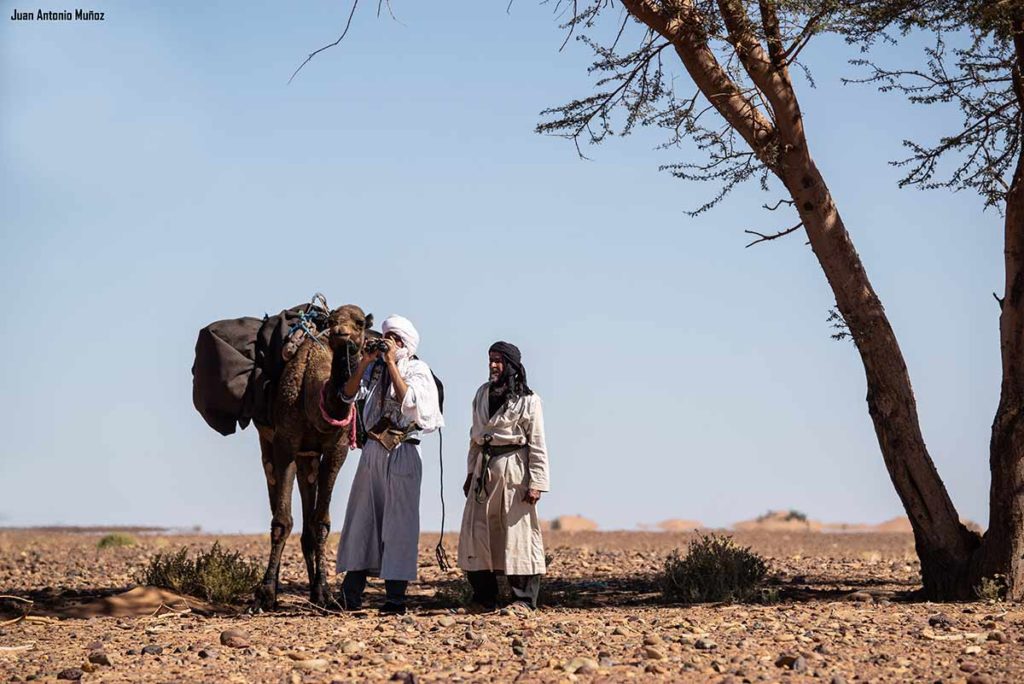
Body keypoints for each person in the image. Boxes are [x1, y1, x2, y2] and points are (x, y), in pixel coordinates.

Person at [335, 314, 443, 614]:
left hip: (402, 452)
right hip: (373, 452)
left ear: (405, 344)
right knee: (361, 522)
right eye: (387, 337)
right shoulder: (373, 371)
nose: (389, 344)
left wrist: (393, 364)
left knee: (399, 525)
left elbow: (412, 403)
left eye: (395, 339)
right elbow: (347, 395)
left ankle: (395, 599)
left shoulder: (418, 370)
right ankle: (350, 595)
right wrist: (366, 362)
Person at [457, 341, 549, 610]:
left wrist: (537, 483)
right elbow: (475, 439)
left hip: (514, 473)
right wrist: (471, 472)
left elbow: (538, 443)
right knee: (478, 533)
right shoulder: (482, 394)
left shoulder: (529, 401)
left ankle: (523, 601)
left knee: (517, 535)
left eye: (498, 360)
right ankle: (483, 598)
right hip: (484, 474)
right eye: (490, 360)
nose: (493, 365)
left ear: (511, 365)